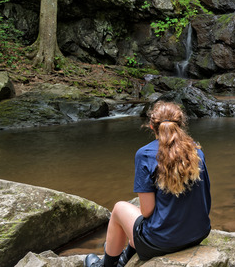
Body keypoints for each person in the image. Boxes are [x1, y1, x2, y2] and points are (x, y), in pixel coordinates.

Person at [85, 101, 211, 267]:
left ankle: (105, 266)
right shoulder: (196, 151)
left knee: (119, 209)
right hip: (198, 233)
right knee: (147, 218)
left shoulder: (145, 154)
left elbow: (147, 211)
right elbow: (205, 199)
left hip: (161, 243)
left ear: (152, 126)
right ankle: (124, 260)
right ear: (181, 125)